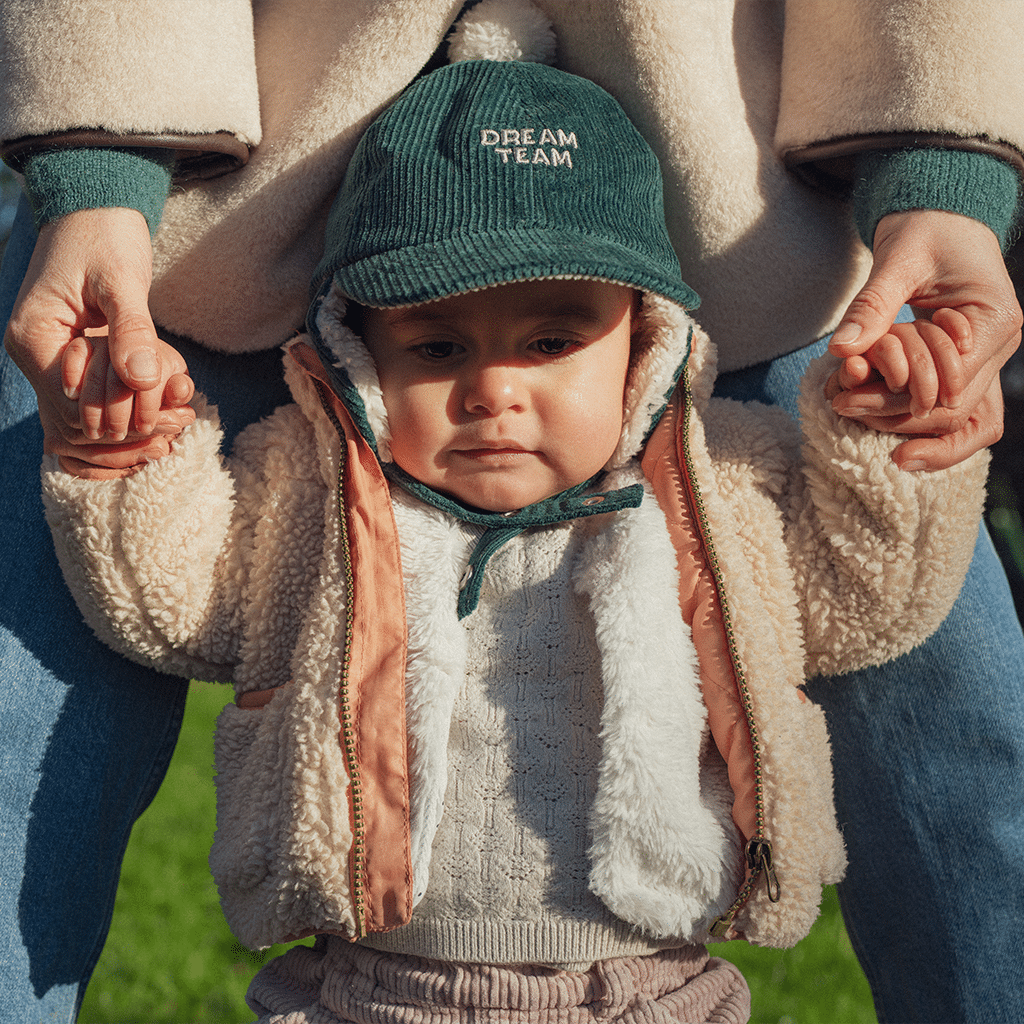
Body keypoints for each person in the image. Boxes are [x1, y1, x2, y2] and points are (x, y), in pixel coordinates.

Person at [1, 1, 1022, 1020]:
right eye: (439, 348)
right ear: (358, 357)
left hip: (652, 994)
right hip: (371, 994)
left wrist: (893, 426)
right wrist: (121, 448)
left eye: (548, 344)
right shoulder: (306, 501)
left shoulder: (724, 493)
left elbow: (868, 591)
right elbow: (179, 593)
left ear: (648, 343)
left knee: (972, 746)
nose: (494, 390)